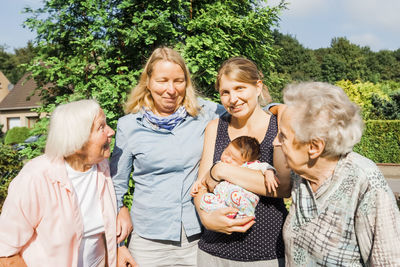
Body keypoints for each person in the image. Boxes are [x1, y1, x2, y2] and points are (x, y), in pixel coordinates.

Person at [110, 47, 227, 266]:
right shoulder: (128, 126)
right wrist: (119, 243)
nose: (171, 90)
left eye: (178, 81)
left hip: (196, 238)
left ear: (187, 83)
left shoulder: (205, 114)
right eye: (162, 81)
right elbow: (117, 186)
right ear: (148, 82)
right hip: (147, 242)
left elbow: (242, 106)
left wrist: (276, 109)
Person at [274, 82, 400, 266]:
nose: (275, 142)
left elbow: (389, 261)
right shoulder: (301, 175)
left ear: (314, 147)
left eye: (283, 136)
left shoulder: (364, 181)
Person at [0, 100, 136, 267]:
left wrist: (121, 212)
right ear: (78, 142)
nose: (111, 131)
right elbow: (5, 253)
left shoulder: (103, 168)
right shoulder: (35, 178)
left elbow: (103, 230)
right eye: (101, 127)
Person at [194, 57, 291, 267]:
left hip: (266, 252)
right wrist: (206, 217)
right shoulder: (215, 127)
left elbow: (283, 187)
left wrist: (221, 170)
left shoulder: (279, 125)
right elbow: (201, 185)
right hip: (213, 251)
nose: (233, 99)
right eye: (225, 92)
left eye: (240, 88)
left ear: (258, 86)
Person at [191, 135, 279, 218]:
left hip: (242, 199)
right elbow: (207, 177)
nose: (227, 159)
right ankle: (221, 214)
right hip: (221, 200)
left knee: (237, 198)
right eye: (226, 153)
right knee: (206, 199)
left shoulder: (250, 166)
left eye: (234, 159)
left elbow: (264, 166)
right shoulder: (219, 164)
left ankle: (241, 215)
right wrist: (199, 183)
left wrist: (269, 173)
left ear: (246, 161)